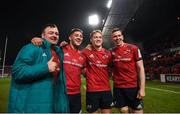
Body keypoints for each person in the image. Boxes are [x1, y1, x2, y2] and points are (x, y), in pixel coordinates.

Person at [8, 24, 69, 113]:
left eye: (57, 34)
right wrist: (45, 68)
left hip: (51, 104)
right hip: (32, 107)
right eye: (51, 33)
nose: (54, 35)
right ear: (43, 35)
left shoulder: (58, 53)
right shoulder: (32, 48)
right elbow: (18, 72)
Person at [31, 28, 85, 113]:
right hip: (61, 92)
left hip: (76, 94)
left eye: (81, 36)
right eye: (76, 35)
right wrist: (41, 40)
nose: (79, 37)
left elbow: (84, 71)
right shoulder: (61, 50)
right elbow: (49, 47)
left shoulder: (82, 55)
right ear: (70, 37)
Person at [110, 28, 145, 113]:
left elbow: (141, 68)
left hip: (133, 87)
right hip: (118, 88)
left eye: (119, 35)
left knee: (138, 111)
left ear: (122, 36)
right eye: (115, 36)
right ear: (112, 39)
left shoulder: (134, 48)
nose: (117, 38)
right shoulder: (111, 52)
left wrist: (142, 88)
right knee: (124, 110)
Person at [82, 30, 113, 114]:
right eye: (95, 37)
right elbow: (81, 66)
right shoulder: (85, 52)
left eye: (100, 37)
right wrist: (87, 74)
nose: (98, 39)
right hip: (92, 90)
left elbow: (111, 67)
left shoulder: (108, 53)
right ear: (91, 40)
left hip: (106, 90)